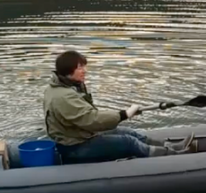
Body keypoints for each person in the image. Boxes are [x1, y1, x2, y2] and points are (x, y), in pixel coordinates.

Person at [44, 49, 188, 163]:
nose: (85, 71)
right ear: (68, 69)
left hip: (81, 136)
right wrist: (124, 114)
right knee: (128, 142)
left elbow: (85, 114)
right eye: (80, 67)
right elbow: (91, 119)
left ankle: (170, 146)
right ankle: (172, 156)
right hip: (74, 147)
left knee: (129, 132)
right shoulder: (63, 96)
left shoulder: (67, 87)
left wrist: (124, 113)